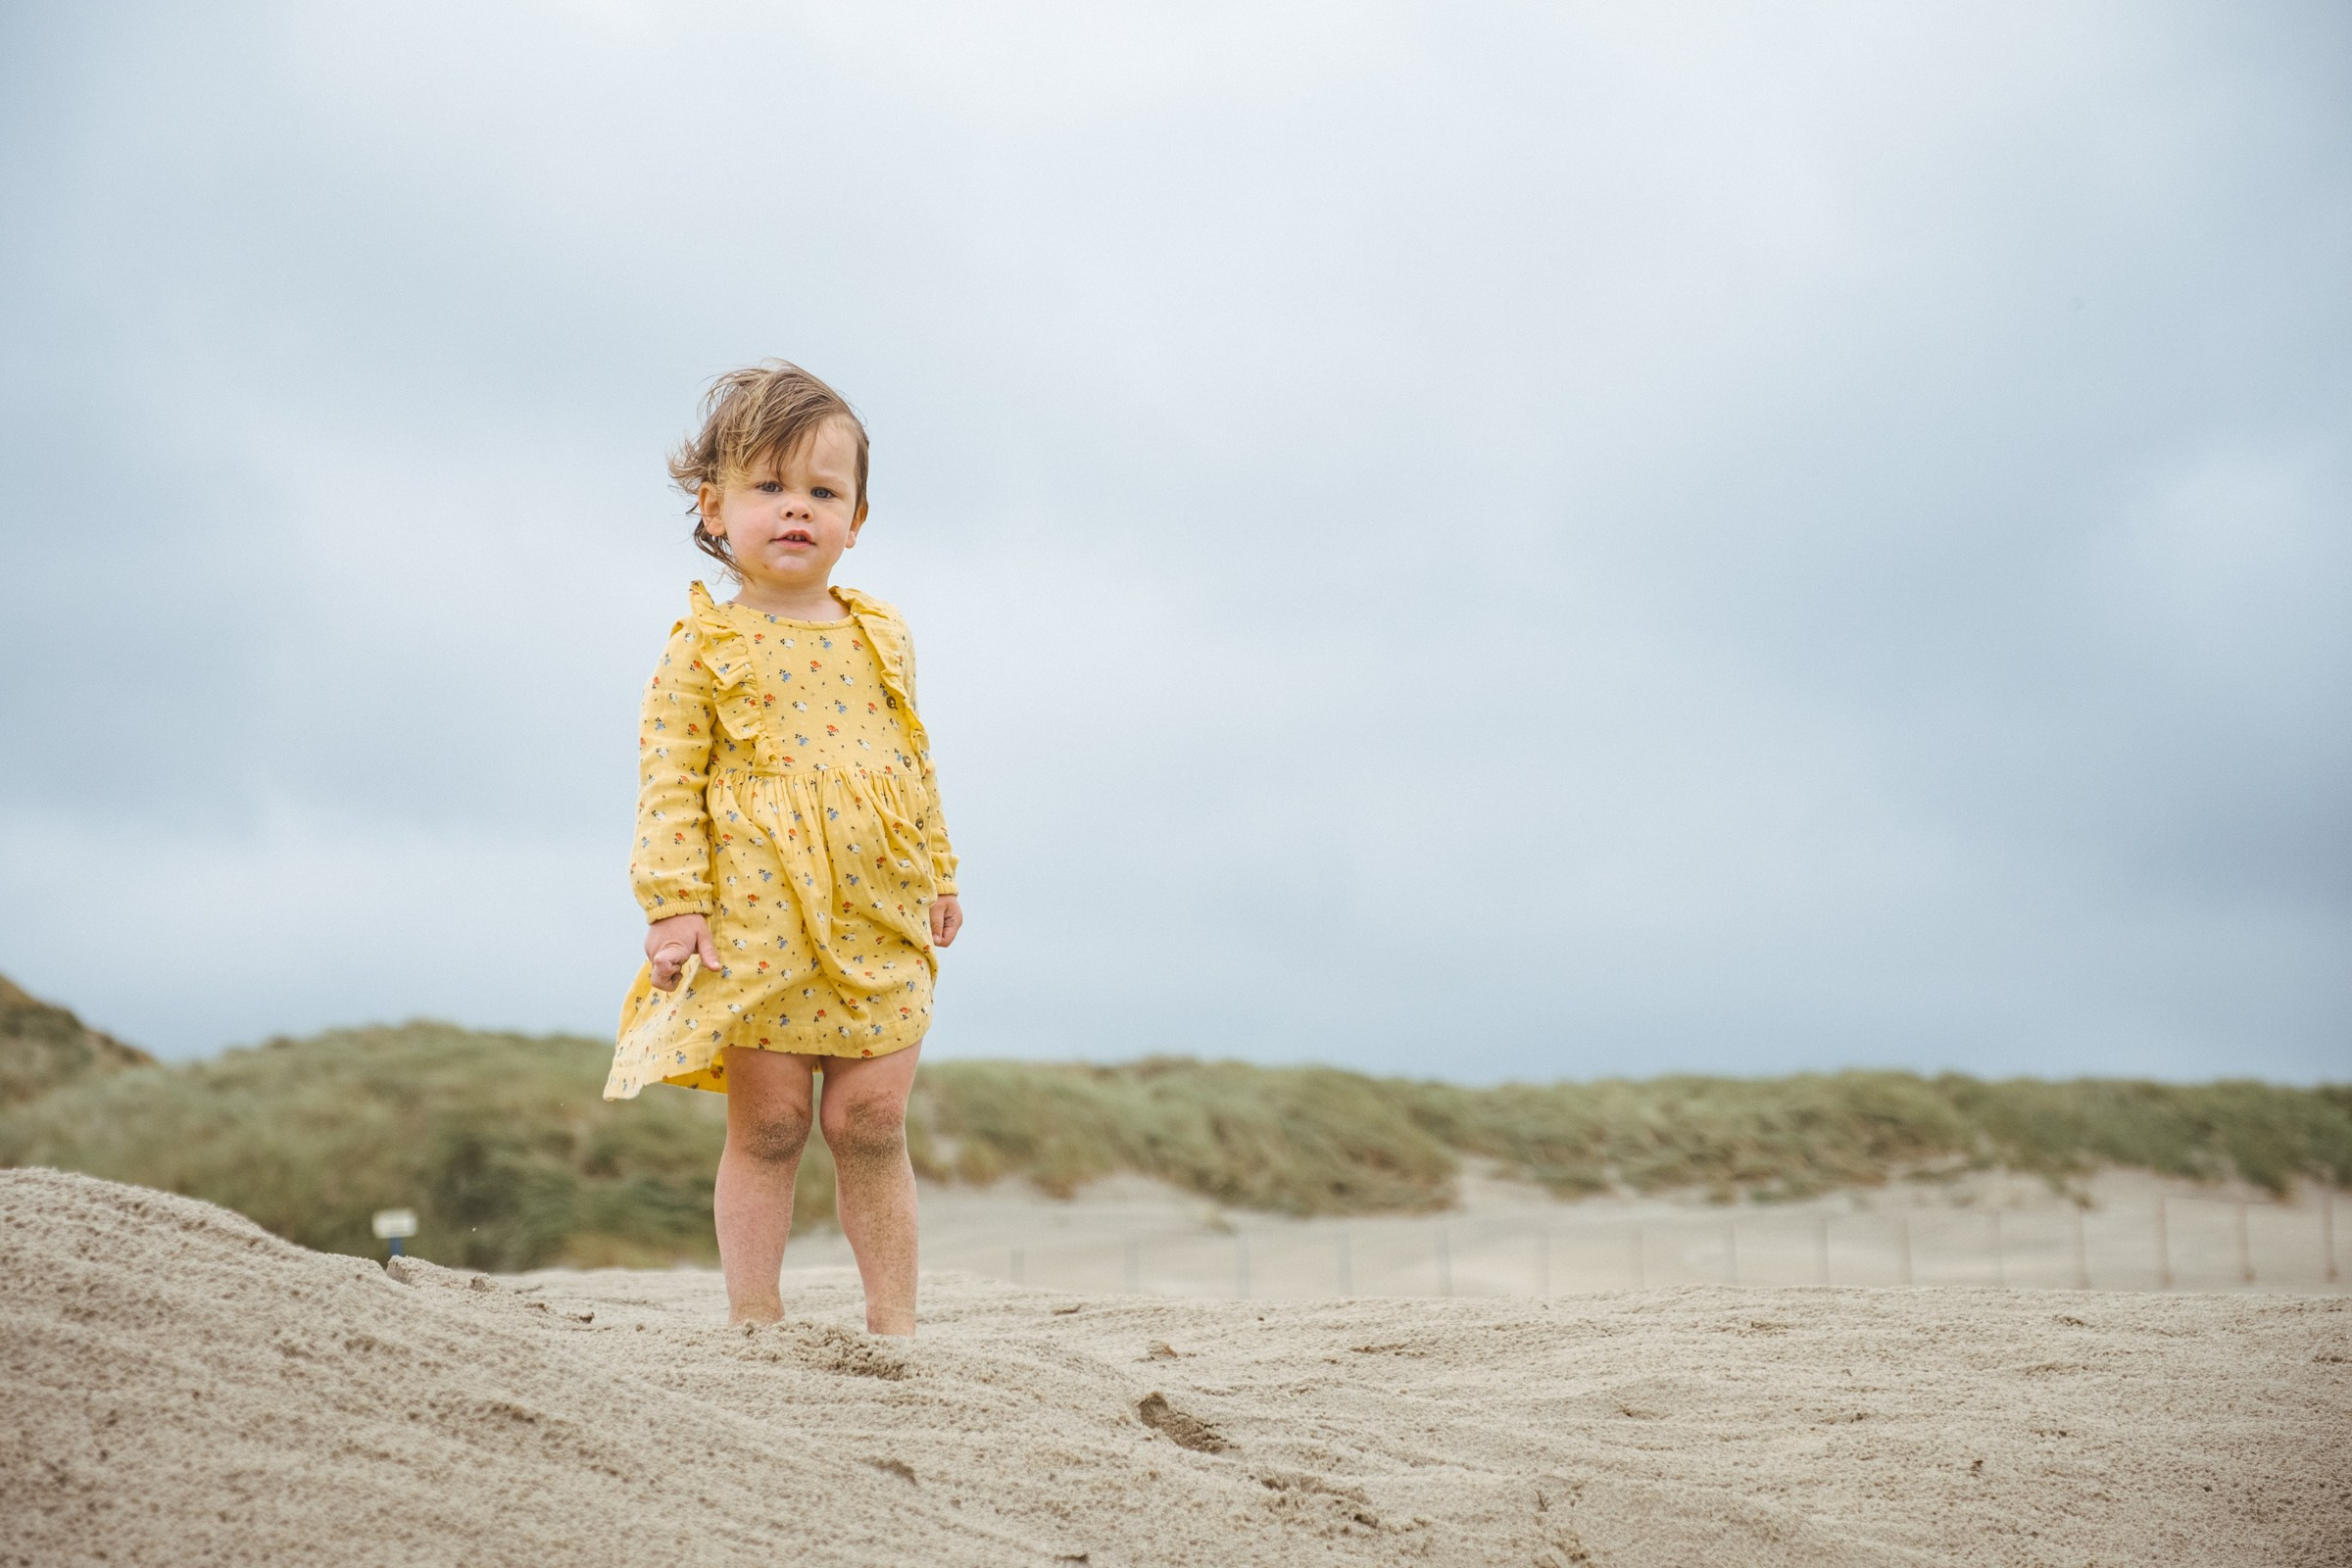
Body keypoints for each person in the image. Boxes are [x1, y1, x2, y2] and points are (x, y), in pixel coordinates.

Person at [604, 362, 961, 1337]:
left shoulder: (882, 634)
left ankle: (895, 1329)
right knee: (771, 1126)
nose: (797, 508)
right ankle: (755, 1323)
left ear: (857, 518)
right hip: (759, 920)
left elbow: (912, 757)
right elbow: (668, 779)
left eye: (823, 491)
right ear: (715, 508)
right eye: (769, 485)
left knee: (869, 1122)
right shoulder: (703, 644)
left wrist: (940, 870)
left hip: (879, 910)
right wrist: (674, 904)